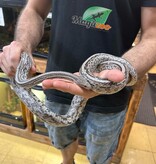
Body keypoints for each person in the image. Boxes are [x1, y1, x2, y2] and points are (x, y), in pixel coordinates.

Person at [0, 0, 156, 163]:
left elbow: (152, 37)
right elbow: (35, 9)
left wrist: (123, 69)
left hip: (110, 95)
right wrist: (22, 45)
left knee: (101, 154)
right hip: (57, 84)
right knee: (62, 141)